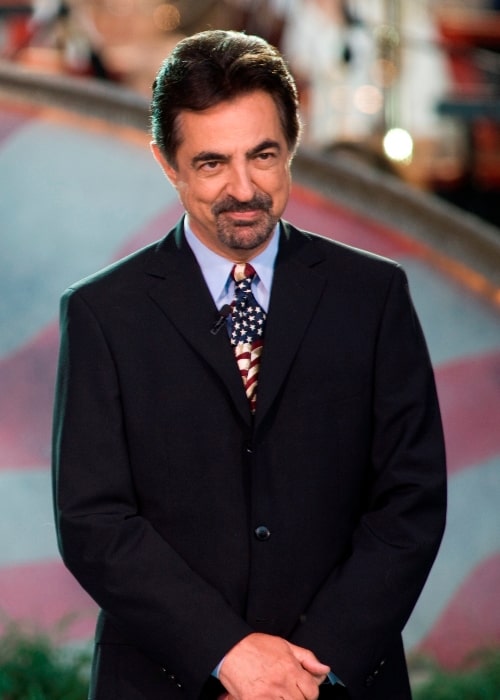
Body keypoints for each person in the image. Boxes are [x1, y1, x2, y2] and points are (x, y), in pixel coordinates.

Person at [52, 29, 447, 700]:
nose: (244, 188)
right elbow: (95, 521)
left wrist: (307, 669)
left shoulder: (373, 297)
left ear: (292, 144)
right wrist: (228, 654)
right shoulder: (102, 314)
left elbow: (410, 502)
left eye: (262, 155)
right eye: (211, 164)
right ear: (166, 163)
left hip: (341, 681)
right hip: (164, 680)